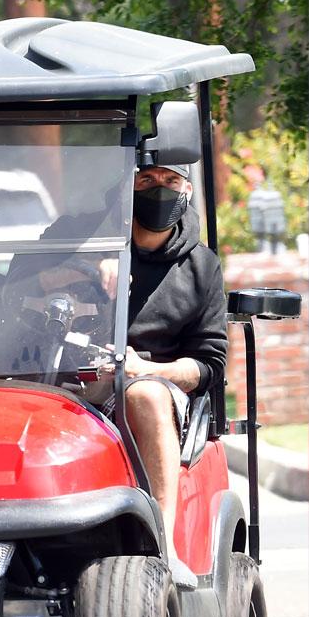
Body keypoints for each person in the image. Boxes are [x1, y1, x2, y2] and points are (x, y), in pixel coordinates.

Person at [95, 163, 227, 556]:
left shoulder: (201, 267)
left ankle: (162, 548)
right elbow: (17, 290)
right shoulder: (85, 236)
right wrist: (86, 264)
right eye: (147, 180)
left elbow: (208, 365)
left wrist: (146, 370)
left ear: (186, 189)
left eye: (171, 181)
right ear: (126, 184)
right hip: (73, 378)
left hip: (155, 387)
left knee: (146, 396)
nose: (160, 189)